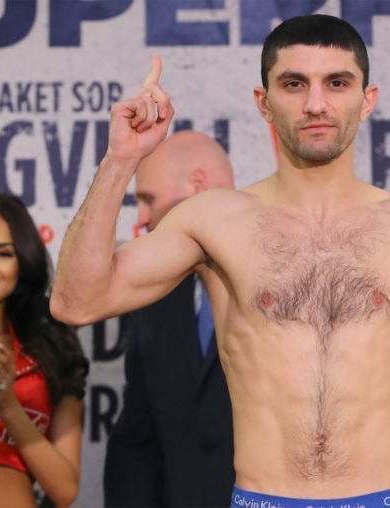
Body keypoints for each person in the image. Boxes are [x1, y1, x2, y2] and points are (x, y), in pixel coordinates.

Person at [50, 14, 390, 508]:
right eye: (293, 84)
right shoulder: (213, 221)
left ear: (367, 98)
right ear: (263, 102)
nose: (315, 104)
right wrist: (120, 160)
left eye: (337, 83)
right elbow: (78, 302)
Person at [103, 130, 236, 507]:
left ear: (197, 186)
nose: (142, 218)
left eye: (148, 199)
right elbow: (137, 440)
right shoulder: (152, 296)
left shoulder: (287, 274)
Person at [0, 193, 89, 508]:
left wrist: (9, 406)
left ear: (22, 261)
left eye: (2, 253)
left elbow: (64, 490)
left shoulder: (54, 350)